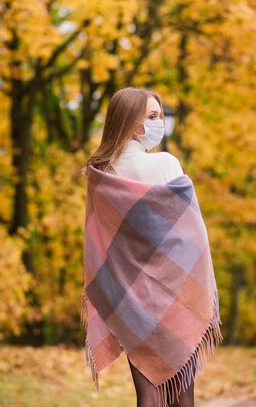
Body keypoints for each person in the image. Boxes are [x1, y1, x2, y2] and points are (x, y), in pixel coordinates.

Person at [83, 87, 222, 407]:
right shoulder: (165, 164)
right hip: (174, 295)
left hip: (130, 301)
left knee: (147, 394)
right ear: (131, 122)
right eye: (153, 116)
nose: (160, 123)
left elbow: (100, 246)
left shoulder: (101, 175)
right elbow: (192, 238)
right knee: (182, 396)